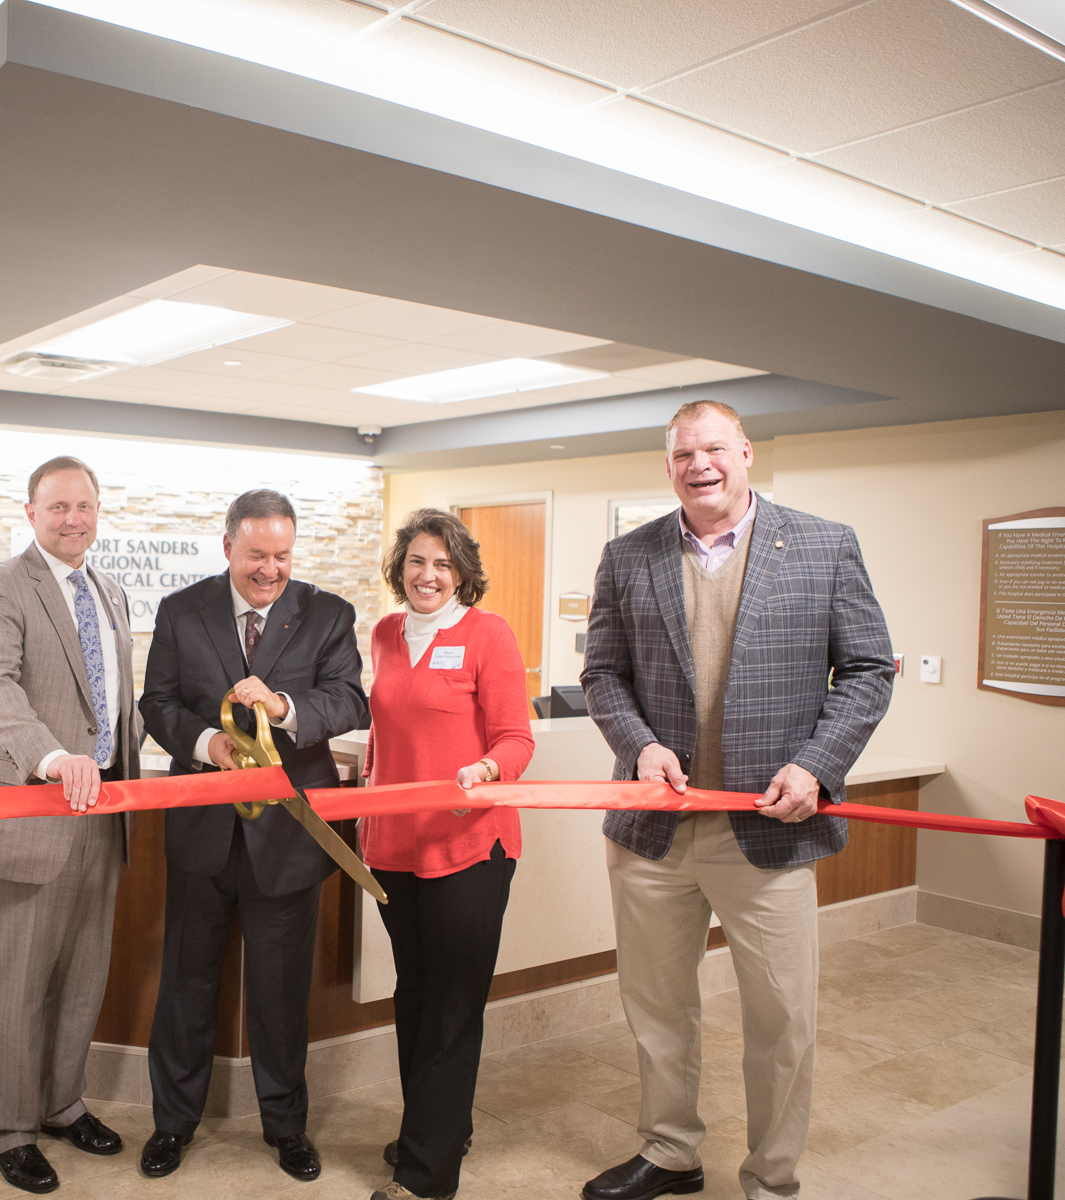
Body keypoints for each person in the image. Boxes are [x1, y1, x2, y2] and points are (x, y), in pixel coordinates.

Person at [579, 400, 893, 1200]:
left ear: (746, 453)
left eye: (715, 448)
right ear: (670, 466)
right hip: (656, 829)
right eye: (685, 454)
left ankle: (771, 1180)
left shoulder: (824, 546)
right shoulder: (627, 555)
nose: (700, 465)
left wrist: (817, 766)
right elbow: (603, 675)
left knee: (782, 1022)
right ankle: (671, 1150)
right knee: (658, 1008)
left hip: (772, 828)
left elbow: (865, 670)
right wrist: (639, 745)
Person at [138, 488, 371, 1183]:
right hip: (202, 834)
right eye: (257, 555)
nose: (270, 569)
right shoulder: (183, 611)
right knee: (186, 986)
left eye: (283, 556)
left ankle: (286, 1128)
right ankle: (171, 1125)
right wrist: (207, 742)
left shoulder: (328, 614)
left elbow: (350, 699)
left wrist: (286, 706)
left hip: (291, 842)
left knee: (279, 993)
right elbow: (157, 703)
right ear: (228, 548)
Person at [0, 455, 141, 1195]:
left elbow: (117, 703)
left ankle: (62, 1104)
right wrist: (52, 757)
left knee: (80, 978)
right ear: (31, 512)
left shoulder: (111, 591)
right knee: (14, 985)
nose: (74, 519)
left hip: (101, 818)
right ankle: (9, 1131)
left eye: (85, 506)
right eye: (59, 507)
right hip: (28, 812)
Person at [358, 509, 535, 1200]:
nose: (428, 575)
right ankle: (434, 1127)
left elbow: (516, 739)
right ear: (400, 569)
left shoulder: (489, 636)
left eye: (442, 563)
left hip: (469, 845)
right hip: (394, 846)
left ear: (461, 572)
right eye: (416, 562)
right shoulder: (384, 635)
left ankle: (426, 1177)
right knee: (416, 996)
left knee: (453, 1005)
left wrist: (488, 770)